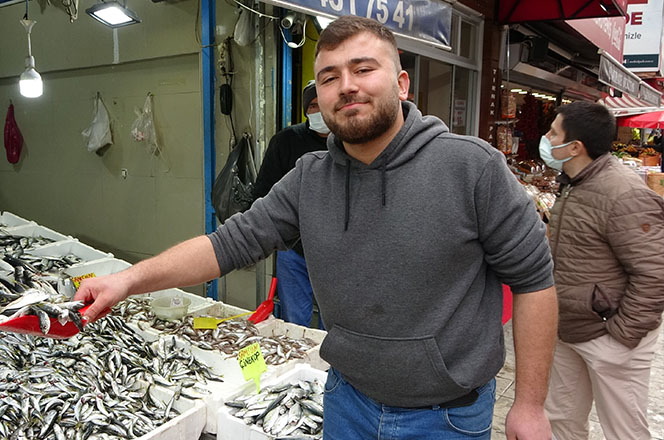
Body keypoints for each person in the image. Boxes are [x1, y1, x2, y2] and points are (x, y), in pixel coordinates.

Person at [77, 15, 557, 439]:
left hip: (444, 418)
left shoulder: (471, 167)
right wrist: (129, 279)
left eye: (363, 69)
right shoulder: (309, 177)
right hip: (346, 401)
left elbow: (535, 281)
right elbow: (229, 243)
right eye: (329, 77)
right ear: (319, 96)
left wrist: (531, 405)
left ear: (403, 83)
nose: (346, 85)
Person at [540, 101, 664, 440]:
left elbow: (654, 273)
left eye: (553, 132)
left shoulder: (623, 193)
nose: (547, 138)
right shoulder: (573, 182)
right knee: (561, 420)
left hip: (611, 335)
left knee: (624, 431)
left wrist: (622, 335)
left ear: (575, 147)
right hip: (570, 329)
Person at [253, 80, 329, 328]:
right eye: (313, 105)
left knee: (335, 327)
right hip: (293, 252)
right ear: (306, 110)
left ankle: (328, 368)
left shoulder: (350, 142)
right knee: (294, 326)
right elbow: (262, 192)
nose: (319, 111)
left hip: (335, 254)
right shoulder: (286, 141)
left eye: (324, 104)